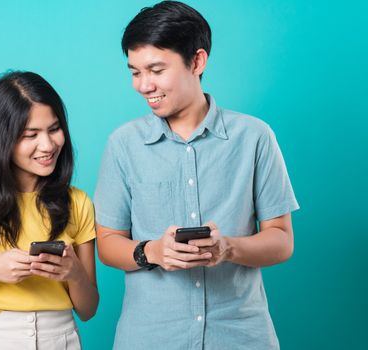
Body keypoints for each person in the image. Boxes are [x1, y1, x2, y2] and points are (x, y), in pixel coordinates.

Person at [94, 1, 299, 349]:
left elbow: (281, 240)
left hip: (240, 335)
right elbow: (108, 242)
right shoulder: (123, 144)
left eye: (156, 69)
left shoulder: (254, 137)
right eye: (135, 72)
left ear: (197, 61)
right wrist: (152, 252)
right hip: (150, 337)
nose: (143, 85)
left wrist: (228, 248)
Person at [0, 71, 98, 350]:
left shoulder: (78, 202)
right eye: (30, 135)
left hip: (61, 337)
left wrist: (74, 273)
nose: (47, 145)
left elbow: (88, 309)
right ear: (2, 139)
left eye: (54, 129)